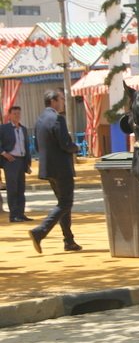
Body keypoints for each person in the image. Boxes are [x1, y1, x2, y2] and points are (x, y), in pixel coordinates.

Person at [28, 89, 82, 253]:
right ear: (53, 101)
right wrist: (76, 147)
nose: (63, 101)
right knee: (66, 203)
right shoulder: (57, 118)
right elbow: (65, 144)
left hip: (48, 169)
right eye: (61, 99)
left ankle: (69, 240)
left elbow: (37, 146)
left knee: (63, 204)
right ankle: (40, 231)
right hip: (61, 169)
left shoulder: (40, 120)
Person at [1, 106, 32, 222]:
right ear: (9, 115)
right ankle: (13, 215)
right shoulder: (4, 128)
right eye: (14, 114)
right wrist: (4, 153)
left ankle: (21, 213)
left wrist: (27, 163)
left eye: (19, 113)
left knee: (21, 188)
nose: (17, 116)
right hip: (10, 161)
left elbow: (26, 146)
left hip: (21, 160)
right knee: (12, 188)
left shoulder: (23, 129)